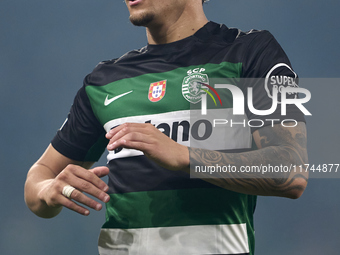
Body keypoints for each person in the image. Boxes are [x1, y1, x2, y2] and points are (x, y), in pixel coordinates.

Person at [24, 0, 309, 254]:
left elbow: (291, 171)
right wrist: (49, 189)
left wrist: (184, 156)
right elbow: (38, 179)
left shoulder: (252, 52)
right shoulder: (103, 81)